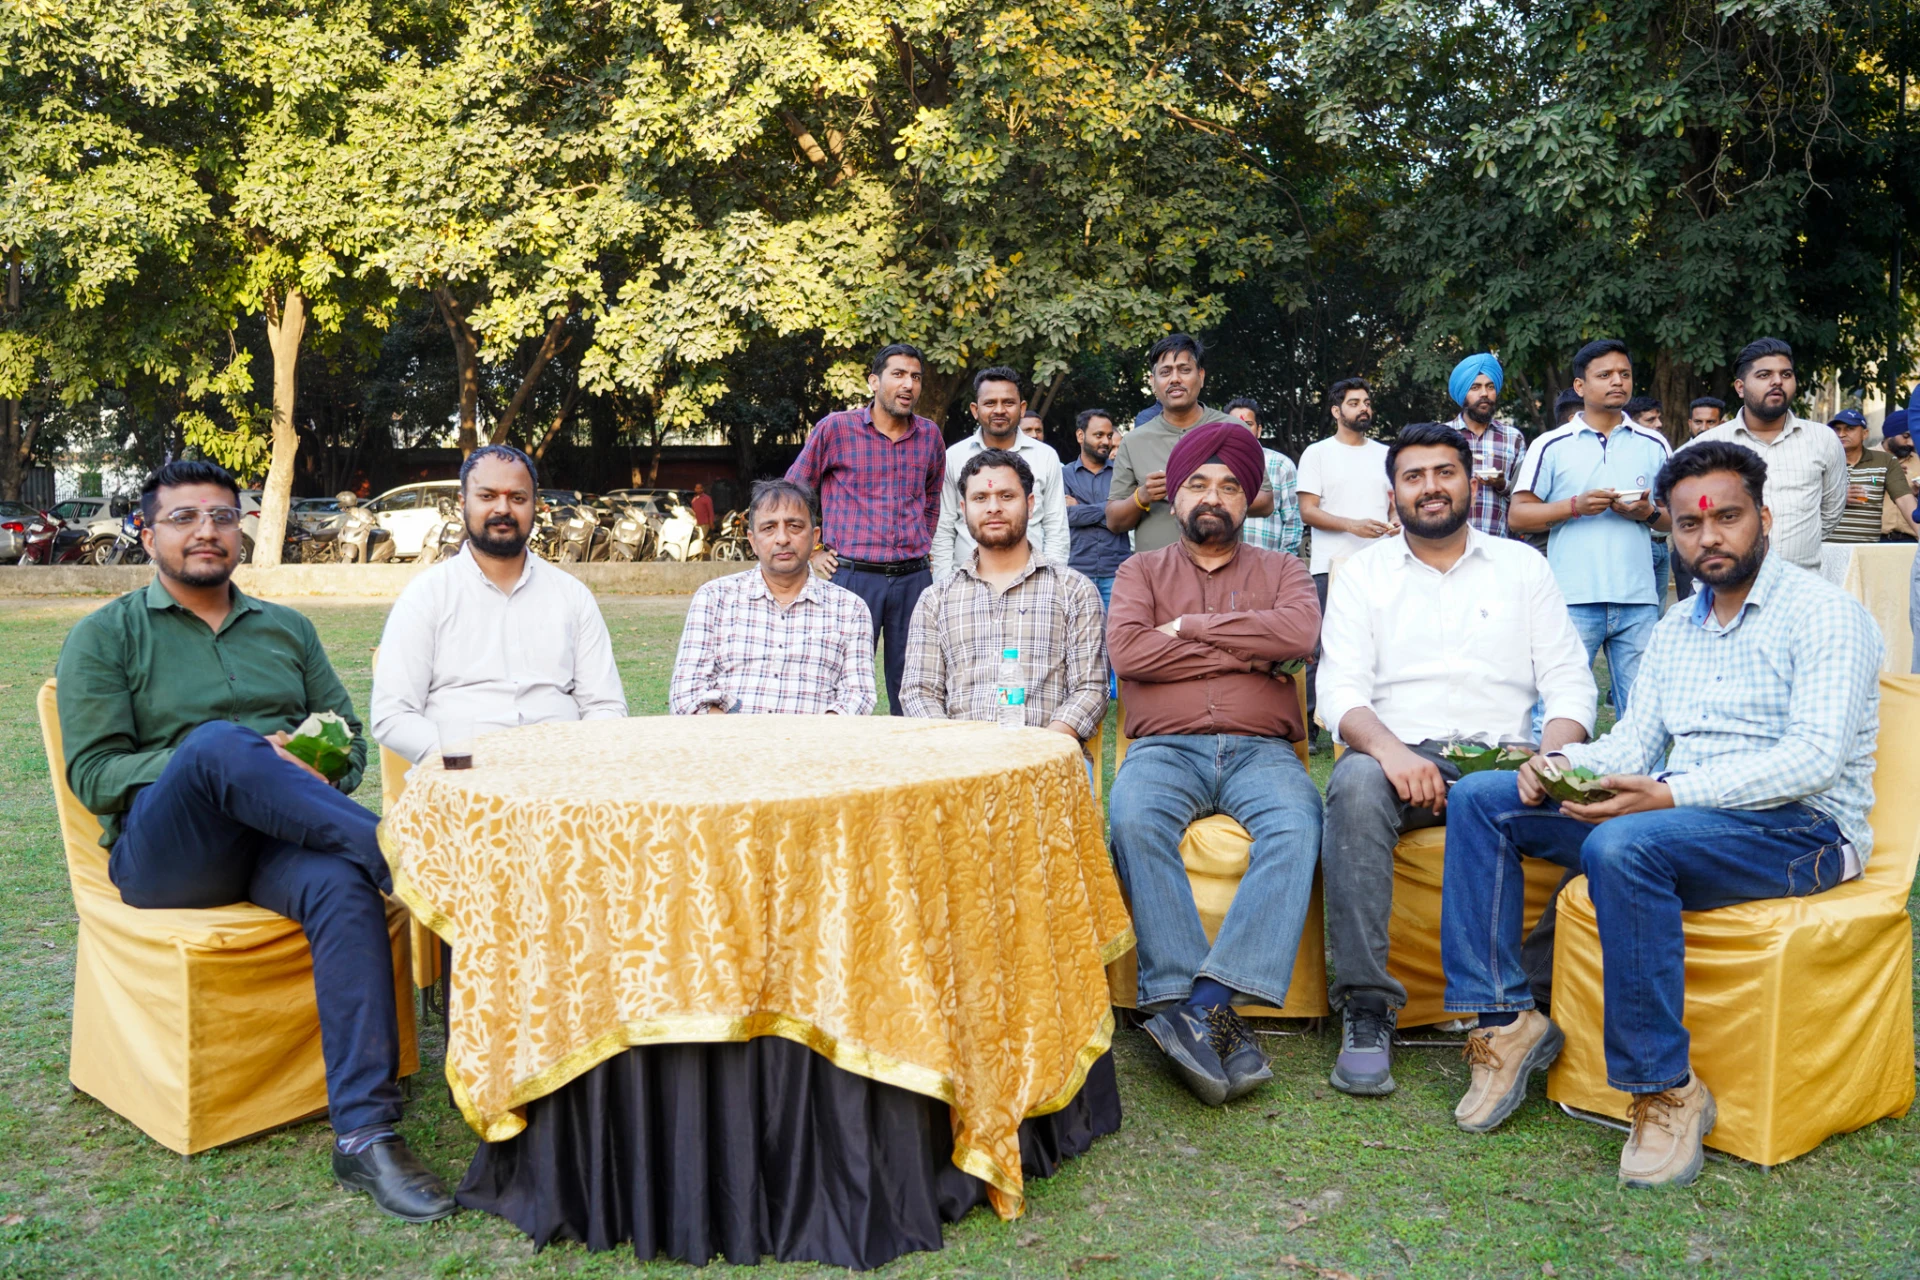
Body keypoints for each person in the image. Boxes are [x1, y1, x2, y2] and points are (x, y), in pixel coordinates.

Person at [1438, 440, 1881, 1188]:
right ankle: (1505, 1021)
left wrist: (1669, 795)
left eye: (1728, 518)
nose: (1709, 538)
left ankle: (1666, 1089)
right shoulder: (1678, 626)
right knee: (1484, 798)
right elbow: (1636, 742)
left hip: (1803, 828)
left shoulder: (1825, 615)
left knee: (1625, 846)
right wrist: (1560, 766)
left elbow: (1814, 760)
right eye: (1689, 524)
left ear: (1765, 518)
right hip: (1681, 818)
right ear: (1670, 531)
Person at [54, 460, 455, 1223]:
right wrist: (224, 759)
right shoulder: (105, 635)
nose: (206, 530)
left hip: (275, 845)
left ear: (240, 531)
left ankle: (365, 1134)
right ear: (147, 534)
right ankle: (412, 862)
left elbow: (348, 742)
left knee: (340, 885)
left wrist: (296, 762)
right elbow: (95, 775)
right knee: (217, 745)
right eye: (183, 517)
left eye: (222, 516)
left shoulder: (286, 629)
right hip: (169, 857)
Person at [1316, 424, 1597, 1098]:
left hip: (1509, 759)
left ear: (1472, 483)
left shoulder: (1522, 567)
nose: (1431, 487)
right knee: (1354, 785)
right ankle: (1367, 1006)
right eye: (1414, 476)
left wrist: (1553, 757)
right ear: (1393, 494)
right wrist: (1390, 752)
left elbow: (1569, 680)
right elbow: (1339, 690)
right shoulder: (1363, 573)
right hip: (1399, 755)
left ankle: (1526, 999)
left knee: (1612, 819)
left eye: (1445, 472)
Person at [1107, 420, 1323, 1107]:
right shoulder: (1141, 571)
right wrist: (1250, 653)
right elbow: (1130, 653)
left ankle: (1197, 1005)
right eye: (1198, 483)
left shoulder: (1283, 571)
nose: (1213, 497)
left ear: (1248, 500)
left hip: (1262, 749)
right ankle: (1195, 1006)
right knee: (1134, 817)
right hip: (1165, 747)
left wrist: (1190, 630)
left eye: (1230, 486)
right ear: (1174, 497)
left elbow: (1298, 634)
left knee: (1299, 823)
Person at [372, 445, 628, 763]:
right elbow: (393, 715)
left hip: (562, 775)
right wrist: (463, 757)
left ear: (535, 506)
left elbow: (605, 705)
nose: (503, 509)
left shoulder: (572, 595)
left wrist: (578, 760)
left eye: (517, 498)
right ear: (463, 503)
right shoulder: (426, 595)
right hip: (460, 775)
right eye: (487, 496)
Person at [1510, 339, 1671, 716]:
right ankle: (1556, 757)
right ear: (1580, 386)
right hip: (1571, 598)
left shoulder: (1654, 444)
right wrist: (1574, 507)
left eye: (1625, 374)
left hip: (1638, 598)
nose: (1617, 381)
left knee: (1644, 713)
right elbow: (1518, 516)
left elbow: (1675, 519)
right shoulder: (1551, 445)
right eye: (1605, 375)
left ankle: (1640, 760)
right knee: (1560, 708)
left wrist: (1646, 513)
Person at [902, 451, 1107, 746]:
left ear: (1030, 504)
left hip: (1047, 759)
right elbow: (919, 692)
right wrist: (954, 749)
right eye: (980, 498)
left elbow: (1090, 689)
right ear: (964, 509)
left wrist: (1040, 750)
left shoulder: (1073, 590)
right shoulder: (936, 599)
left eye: (1007, 496)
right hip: (959, 759)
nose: (993, 508)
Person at [786, 343, 947, 714]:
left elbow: (931, 498)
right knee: (836, 681)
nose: (908, 384)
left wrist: (920, 542)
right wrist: (813, 551)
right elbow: (793, 492)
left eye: (916, 377)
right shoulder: (836, 429)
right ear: (874, 381)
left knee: (914, 686)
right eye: (898, 374)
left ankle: (909, 751)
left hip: (913, 581)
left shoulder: (929, 436)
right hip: (852, 578)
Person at [669, 479, 877, 715]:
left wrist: (814, 736)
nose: (782, 539)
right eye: (769, 528)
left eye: (794, 526)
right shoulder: (714, 599)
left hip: (815, 738)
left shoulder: (850, 609)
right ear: (752, 541)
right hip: (727, 737)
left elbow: (858, 696)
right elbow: (686, 694)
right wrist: (734, 735)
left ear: (815, 537)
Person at [1685, 338, 1846, 572]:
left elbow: (1831, 513)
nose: (1777, 381)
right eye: (1764, 375)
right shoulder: (1707, 445)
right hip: (1725, 584)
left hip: (1799, 583)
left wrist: (1798, 543)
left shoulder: (1823, 439)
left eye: (1786, 374)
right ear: (1740, 388)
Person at [1106, 333, 1276, 554]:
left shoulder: (1233, 430)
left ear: (1201, 376)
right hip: (1156, 569)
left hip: (1221, 565)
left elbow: (1265, 502)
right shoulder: (1134, 441)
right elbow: (1114, 521)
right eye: (1165, 372)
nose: (1175, 379)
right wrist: (1142, 496)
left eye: (1184, 370)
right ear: (1153, 382)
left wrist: (1212, 493)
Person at [1297, 378, 1394, 734]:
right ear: (1337, 411)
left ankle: (1377, 719)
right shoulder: (1318, 453)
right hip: (1330, 565)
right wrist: (1353, 525)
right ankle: (1309, 728)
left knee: (1379, 644)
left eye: (1367, 402)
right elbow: (1308, 511)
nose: (1364, 408)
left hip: (1380, 565)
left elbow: (1395, 506)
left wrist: (1396, 523)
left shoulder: (1386, 454)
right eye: (1354, 403)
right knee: (1320, 646)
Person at [932, 367, 1070, 579]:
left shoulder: (1045, 456)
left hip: (1033, 579)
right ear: (975, 409)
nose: (999, 410)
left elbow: (1055, 526)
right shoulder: (954, 457)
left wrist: (1052, 581)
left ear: (1022, 408)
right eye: (990, 403)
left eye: (1008, 403)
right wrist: (945, 583)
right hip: (967, 580)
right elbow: (944, 528)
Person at [1445, 354, 1525, 538]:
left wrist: (1502, 484)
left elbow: (1524, 498)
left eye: (1490, 387)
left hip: (1497, 545)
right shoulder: (1441, 436)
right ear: (1462, 393)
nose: (1484, 394)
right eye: (1475, 387)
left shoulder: (1513, 438)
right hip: (1448, 542)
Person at [1062, 407, 1132, 608]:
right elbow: (1066, 516)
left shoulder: (1122, 474)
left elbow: (1128, 517)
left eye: (1109, 436)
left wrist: (1082, 508)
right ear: (1080, 436)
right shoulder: (1064, 474)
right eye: (1099, 435)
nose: (1106, 442)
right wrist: (1112, 509)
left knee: (1116, 627)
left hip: (1116, 571)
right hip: (1076, 571)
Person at [1226, 397, 1303, 557]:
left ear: (1259, 430)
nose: (1242, 429)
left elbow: (1293, 520)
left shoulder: (1281, 465)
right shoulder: (1214, 465)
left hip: (1267, 562)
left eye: (1248, 424)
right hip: (1222, 561)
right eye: (1235, 424)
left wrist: (1283, 562)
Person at [1826, 408, 1915, 543]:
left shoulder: (1884, 461)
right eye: (1837, 429)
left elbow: (1904, 499)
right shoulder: (1821, 461)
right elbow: (1802, 498)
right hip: (1827, 546)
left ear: (1865, 433)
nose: (1841, 434)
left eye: (1849, 429)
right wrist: (1837, 497)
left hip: (1868, 549)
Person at [1625, 396, 1673, 604]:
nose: (1659, 424)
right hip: (1642, 542)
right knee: (1642, 608)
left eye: (1658, 418)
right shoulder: (1627, 455)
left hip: (1663, 543)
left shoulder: (1657, 448)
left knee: (1658, 611)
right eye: (1650, 420)